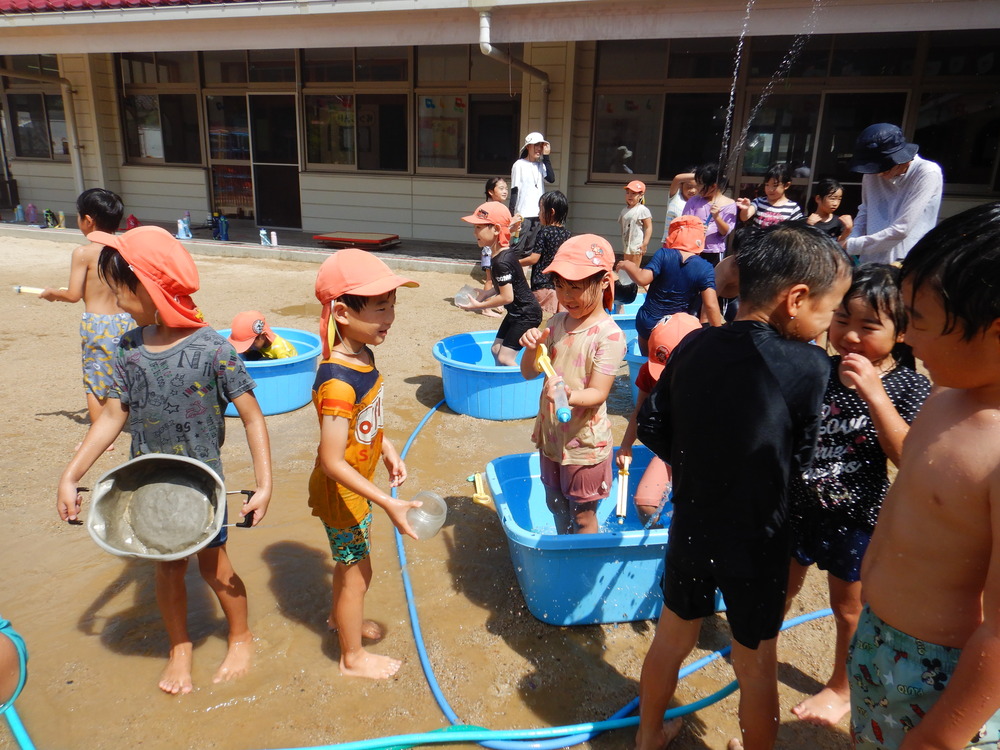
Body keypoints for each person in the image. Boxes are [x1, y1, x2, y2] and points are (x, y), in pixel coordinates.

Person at [634, 222, 852, 750]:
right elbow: (810, 460)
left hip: (692, 523)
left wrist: (695, 470)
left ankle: (646, 737)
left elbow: (653, 426)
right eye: (831, 309)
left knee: (670, 639)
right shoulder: (811, 367)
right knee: (756, 663)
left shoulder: (692, 346)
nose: (830, 325)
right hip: (759, 539)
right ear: (796, 300)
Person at [55, 225, 273, 695]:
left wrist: (264, 484)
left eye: (121, 289)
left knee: (215, 568)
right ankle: (180, 647)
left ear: (152, 287)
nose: (114, 296)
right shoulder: (128, 350)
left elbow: (253, 418)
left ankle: (240, 635)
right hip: (150, 485)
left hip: (201, 485)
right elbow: (113, 414)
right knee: (167, 567)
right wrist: (72, 475)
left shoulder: (212, 348)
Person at [848, 202, 1000, 749]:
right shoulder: (948, 393)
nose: (907, 339)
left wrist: (940, 736)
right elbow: (922, 471)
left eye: (922, 323)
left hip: (942, 669)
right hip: (880, 636)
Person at [786, 263, 930, 727]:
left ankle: (842, 687)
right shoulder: (818, 368)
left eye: (868, 326)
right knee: (778, 586)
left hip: (857, 516)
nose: (848, 336)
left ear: (901, 333)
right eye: (842, 320)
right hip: (799, 506)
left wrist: (875, 395)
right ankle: (758, 645)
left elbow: (908, 457)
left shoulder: (909, 385)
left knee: (848, 609)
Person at [309, 248, 422, 680]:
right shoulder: (338, 379)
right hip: (344, 494)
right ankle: (351, 657)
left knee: (348, 565)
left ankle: (342, 621)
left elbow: (366, 423)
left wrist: (387, 448)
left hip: (357, 488)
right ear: (342, 312)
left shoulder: (364, 358)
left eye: (392, 305)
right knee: (359, 570)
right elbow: (331, 459)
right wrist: (388, 503)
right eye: (379, 308)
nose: (389, 317)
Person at [518, 234, 627, 534]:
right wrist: (531, 347)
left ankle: (581, 568)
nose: (566, 296)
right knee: (555, 503)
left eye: (575, 286)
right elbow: (529, 372)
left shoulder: (609, 335)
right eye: (560, 285)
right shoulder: (555, 324)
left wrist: (570, 394)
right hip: (552, 436)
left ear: (604, 281)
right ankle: (563, 552)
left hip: (585, 446)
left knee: (581, 516)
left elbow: (598, 393)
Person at [39, 188, 134, 428]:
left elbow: (73, 295)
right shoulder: (125, 249)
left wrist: (52, 293)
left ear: (88, 220)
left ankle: (101, 433)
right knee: (125, 373)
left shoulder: (84, 253)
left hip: (98, 325)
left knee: (95, 380)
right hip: (127, 320)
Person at [616, 313, 702, 526]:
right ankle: (661, 540)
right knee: (645, 504)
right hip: (670, 447)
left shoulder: (711, 377)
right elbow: (639, 412)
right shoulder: (648, 372)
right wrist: (626, 445)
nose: (663, 379)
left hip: (703, 450)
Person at [617, 215, 723, 356]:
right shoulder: (705, 267)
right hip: (678, 328)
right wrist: (720, 335)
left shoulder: (664, 254)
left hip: (649, 322)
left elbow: (643, 279)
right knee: (673, 364)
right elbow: (711, 305)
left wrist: (628, 265)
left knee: (648, 362)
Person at [844, 122, 943, 264]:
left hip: (907, 260)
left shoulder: (926, 173)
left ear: (900, 158)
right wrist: (852, 238)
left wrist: (852, 245)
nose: (879, 175)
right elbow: (866, 209)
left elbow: (902, 229)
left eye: (884, 169)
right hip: (871, 260)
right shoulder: (872, 174)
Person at [457, 202, 542, 365]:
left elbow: (507, 297)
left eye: (478, 227)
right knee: (496, 350)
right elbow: (508, 286)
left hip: (527, 314)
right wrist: (486, 293)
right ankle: (500, 385)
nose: (474, 232)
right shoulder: (501, 255)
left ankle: (526, 385)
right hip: (517, 312)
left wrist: (479, 306)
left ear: (496, 229)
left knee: (505, 357)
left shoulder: (501, 261)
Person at [519, 190, 571, 314]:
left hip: (542, 285)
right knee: (557, 322)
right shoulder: (567, 234)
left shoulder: (544, 232)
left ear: (551, 212)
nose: (538, 214)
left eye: (541, 209)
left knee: (537, 320)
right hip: (560, 287)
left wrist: (514, 262)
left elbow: (534, 258)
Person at [682, 162, 738, 266]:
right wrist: (696, 229)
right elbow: (684, 222)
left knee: (710, 280)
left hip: (713, 252)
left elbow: (725, 232)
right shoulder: (694, 201)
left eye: (700, 184)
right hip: (692, 249)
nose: (696, 188)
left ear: (713, 186)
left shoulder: (730, 204)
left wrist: (717, 217)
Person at [509, 132, 555, 256]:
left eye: (541, 145)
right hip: (522, 213)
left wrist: (546, 158)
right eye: (536, 145)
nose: (539, 148)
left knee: (531, 249)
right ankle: (512, 273)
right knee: (517, 248)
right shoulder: (519, 165)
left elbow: (551, 178)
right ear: (528, 146)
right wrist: (511, 214)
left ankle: (524, 275)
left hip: (538, 213)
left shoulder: (541, 165)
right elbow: (514, 190)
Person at [479, 177, 516, 316]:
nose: (505, 191)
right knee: (490, 278)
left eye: (506, 188)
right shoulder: (489, 209)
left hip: (497, 249)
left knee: (496, 279)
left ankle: (495, 303)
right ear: (490, 191)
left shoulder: (500, 207)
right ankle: (485, 308)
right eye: (501, 188)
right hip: (490, 249)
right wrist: (513, 222)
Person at [736, 163, 805, 229]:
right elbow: (744, 217)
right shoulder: (758, 201)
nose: (770, 189)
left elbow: (799, 229)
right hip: (758, 241)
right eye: (767, 185)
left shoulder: (793, 208)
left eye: (775, 185)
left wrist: (808, 222)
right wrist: (745, 209)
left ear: (786, 185)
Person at [228, 310, 298, 360]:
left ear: (262, 335)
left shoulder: (280, 348)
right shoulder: (257, 344)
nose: (248, 347)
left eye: (249, 344)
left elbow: (287, 367)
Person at [806, 177, 854, 244]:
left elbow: (840, 247)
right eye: (832, 198)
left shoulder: (840, 222)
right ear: (818, 199)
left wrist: (848, 230)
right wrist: (808, 226)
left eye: (839, 199)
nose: (836, 203)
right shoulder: (805, 221)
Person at [660, 168, 699, 248]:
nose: (692, 190)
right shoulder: (675, 197)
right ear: (681, 186)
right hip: (670, 242)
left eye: (696, 187)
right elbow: (677, 178)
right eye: (689, 186)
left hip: (689, 245)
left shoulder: (700, 203)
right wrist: (702, 175)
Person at [619, 180, 653, 269]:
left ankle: (634, 283)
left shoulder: (642, 209)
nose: (630, 195)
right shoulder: (624, 210)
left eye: (633, 193)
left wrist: (645, 243)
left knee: (634, 268)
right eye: (627, 193)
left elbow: (648, 227)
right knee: (626, 268)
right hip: (626, 244)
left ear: (641, 195)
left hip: (636, 245)